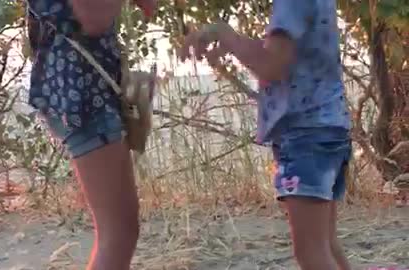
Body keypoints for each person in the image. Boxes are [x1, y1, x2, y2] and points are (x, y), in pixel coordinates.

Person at [179, 1, 352, 270]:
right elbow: (284, 52)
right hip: (328, 128)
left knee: (311, 252)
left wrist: (228, 36)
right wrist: (230, 39)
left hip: (304, 135)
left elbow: (271, 65)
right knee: (325, 244)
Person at [26, 0, 156, 269]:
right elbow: (93, 18)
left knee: (121, 230)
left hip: (81, 81)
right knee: (118, 233)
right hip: (80, 86)